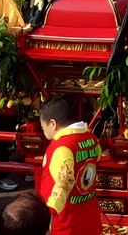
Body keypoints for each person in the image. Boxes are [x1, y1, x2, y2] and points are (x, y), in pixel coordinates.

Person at [38, 99, 104, 235]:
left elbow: (65, 182)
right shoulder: (91, 138)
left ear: (53, 124)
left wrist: (49, 212)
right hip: (90, 216)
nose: (43, 131)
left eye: (43, 127)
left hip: (67, 223)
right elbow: (97, 156)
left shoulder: (62, 147)